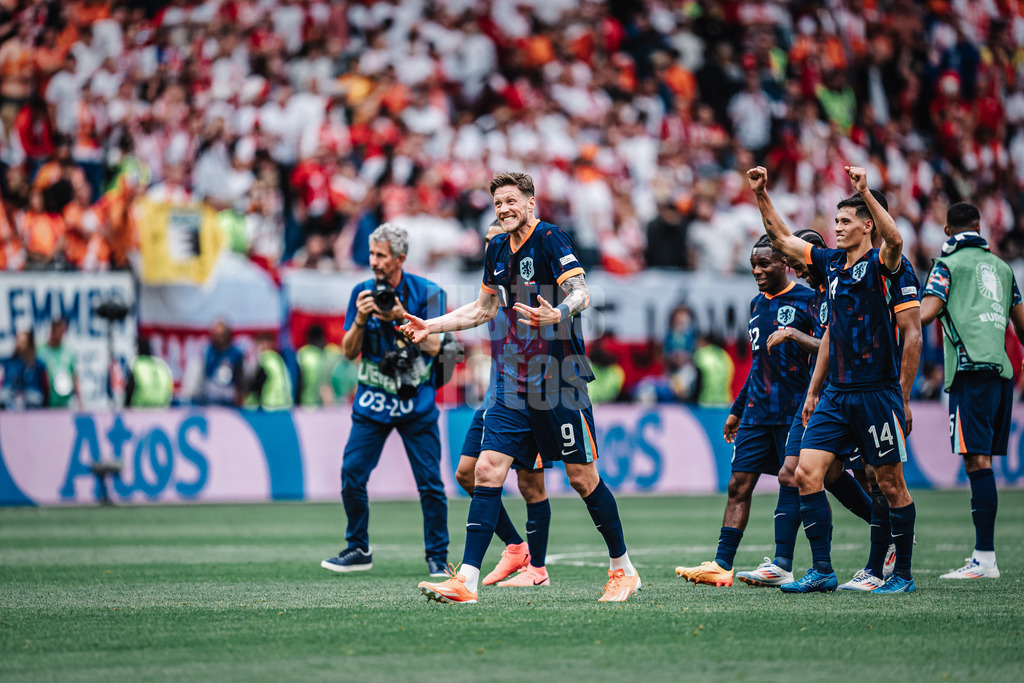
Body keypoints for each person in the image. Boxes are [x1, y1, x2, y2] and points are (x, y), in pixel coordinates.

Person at [404, 171, 641, 604]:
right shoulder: (496, 247)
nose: (504, 209)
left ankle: (623, 569)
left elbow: (581, 291)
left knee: (582, 478)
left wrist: (559, 312)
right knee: (485, 470)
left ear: (531, 203)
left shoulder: (551, 238)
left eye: (511, 200)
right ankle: (467, 581)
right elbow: (483, 308)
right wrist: (431, 325)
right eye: (498, 203)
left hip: (560, 378)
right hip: (513, 380)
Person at [749, 164, 919, 594]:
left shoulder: (885, 264)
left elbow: (896, 240)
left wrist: (865, 191)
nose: (837, 227)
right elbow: (782, 239)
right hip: (837, 394)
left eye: (844, 221)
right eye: (836, 220)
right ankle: (822, 570)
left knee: (889, 483)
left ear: (867, 224)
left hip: (876, 392)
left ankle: (901, 574)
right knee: (806, 473)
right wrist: (761, 194)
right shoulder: (830, 265)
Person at [674, 235, 819, 588]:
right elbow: (758, 364)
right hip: (757, 410)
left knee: (795, 478)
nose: (757, 270)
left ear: (784, 264)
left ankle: (784, 563)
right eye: (753, 264)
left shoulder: (808, 300)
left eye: (764, 264)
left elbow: (828, 348)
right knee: (738, 483)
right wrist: (737, 409)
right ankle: (722, 564)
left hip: (794, 408)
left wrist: (796, 340)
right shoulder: (756, 304)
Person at [321, 223, 449, 577]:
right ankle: (358, 548)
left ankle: (438, 558)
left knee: (430, 483)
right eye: (371, 253)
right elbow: (349, 352)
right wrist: (361, 319)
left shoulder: (430, 293)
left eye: (381, 255)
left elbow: (437, 347)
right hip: (373, 401)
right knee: (351, 473)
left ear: (400, 258)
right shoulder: (361, 292)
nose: (373, 261)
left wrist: (399, 318)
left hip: (416, 402)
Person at [920, 201, 1024, 580]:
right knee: (985, 463)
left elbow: (926, 313)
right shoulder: (1003, 268)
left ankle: (984, 559)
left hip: (969, 371)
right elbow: (1022, 327)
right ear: (980, 229)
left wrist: (892, 314)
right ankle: (985, 557)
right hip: (1002, 374)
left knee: (977, 463)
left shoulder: (947, 265)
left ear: (947, 231)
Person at [455, 221, 553, 588]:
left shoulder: (525, 287)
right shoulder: (492, 288)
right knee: (466, 473)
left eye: (497, 239)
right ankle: (515, 546)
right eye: (486, 240)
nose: (491, 245)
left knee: (530, 483)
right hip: (496, 393)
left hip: (527, 393)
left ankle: (537, 569)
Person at [196, 320, 246, 406]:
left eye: (222, 335)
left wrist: (240, 395)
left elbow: (240, 379)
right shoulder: (207, 352)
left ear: (228, 335)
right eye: (217, 335)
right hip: (209, 399)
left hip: (228, 399)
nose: (219, 338)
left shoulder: (236, 353)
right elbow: (201, 377)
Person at [0, 330, 49, 410]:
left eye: (23, 342)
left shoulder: (38, 365)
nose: (20, 345)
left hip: (32, 398)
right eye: (18, 341)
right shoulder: (9, 363)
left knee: (33, 398)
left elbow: (45, 388)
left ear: (29, 344)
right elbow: (4, 385)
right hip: (12, 397)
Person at [37, 317, 78, 409]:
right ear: (52, 330)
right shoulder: (40, 351)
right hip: (45, 402)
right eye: (58, 331)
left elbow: (74, 375)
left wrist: (80, 401)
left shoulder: (68, 352)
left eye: (63, 331)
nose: (60, 334)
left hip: (64, 402)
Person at [246, 332, 294, 411]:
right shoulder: (278, 358)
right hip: (284, 403)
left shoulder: (263, 358)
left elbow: (258, 382)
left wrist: (251, 402)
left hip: (268, 404)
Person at [125, 338, 173, 408]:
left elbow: (130, 389)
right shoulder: (161, 365)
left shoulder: (136, 364)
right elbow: (169, 389)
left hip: (139, 408)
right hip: (161, 407)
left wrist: (126, 406)